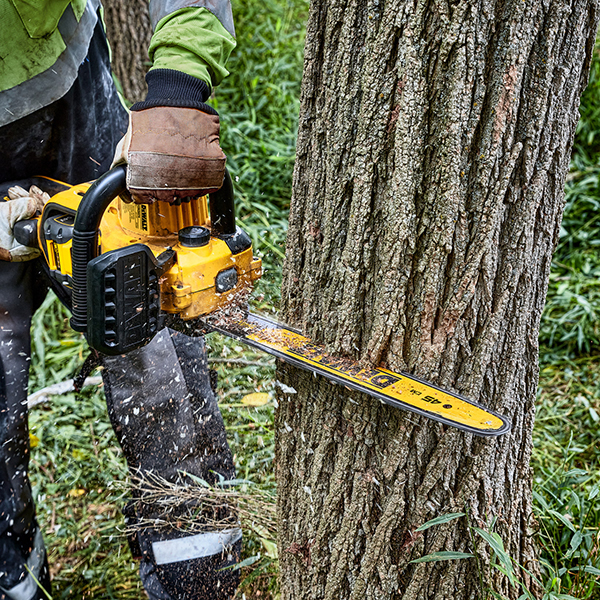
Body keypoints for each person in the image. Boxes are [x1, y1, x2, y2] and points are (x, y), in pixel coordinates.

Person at [0, 2, 242, 598]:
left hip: (66, 80)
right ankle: (15, 580)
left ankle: (196, 571)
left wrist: (179, 85)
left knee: (155, 338)